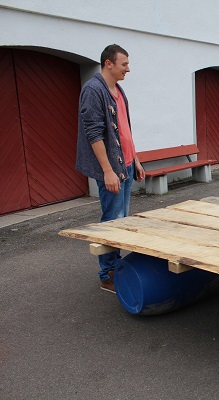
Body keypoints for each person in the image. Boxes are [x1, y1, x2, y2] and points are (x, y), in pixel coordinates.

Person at [76, 44, 145, 293]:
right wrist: (107, 171)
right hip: (112, 170)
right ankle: (107, 274)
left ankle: (117, 268)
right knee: (111, 221)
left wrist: (135, 159)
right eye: (124, 64)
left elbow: (125, 128)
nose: (128, 68)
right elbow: (94, 134)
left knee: (121, 220)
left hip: (125, 165)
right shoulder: (94, 90)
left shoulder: (118, 90)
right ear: (108, 63)